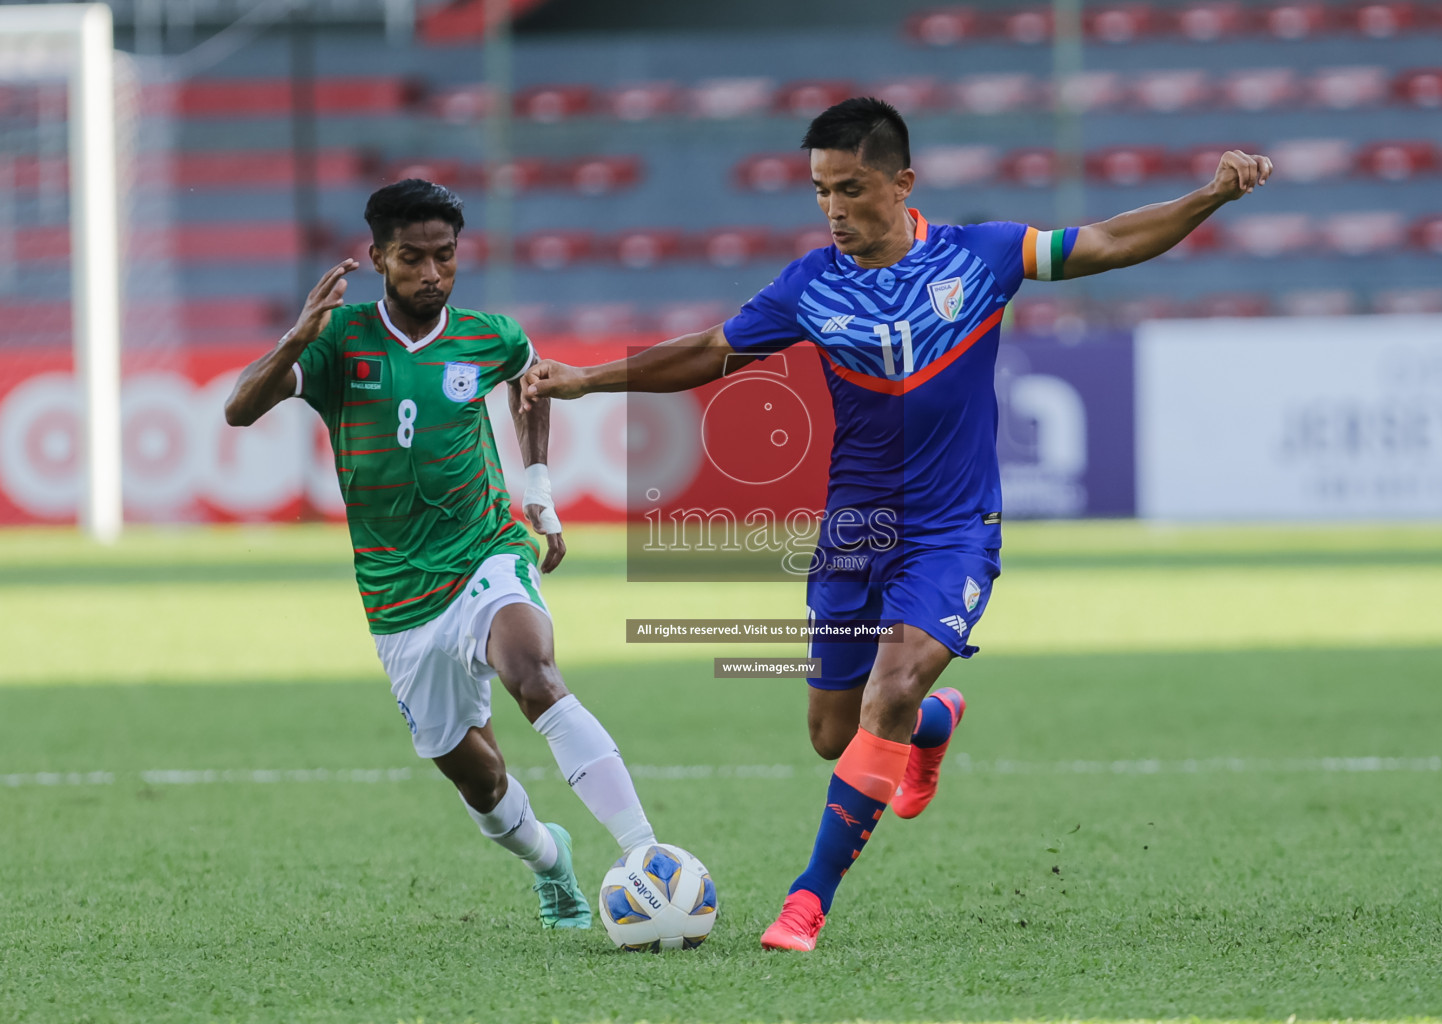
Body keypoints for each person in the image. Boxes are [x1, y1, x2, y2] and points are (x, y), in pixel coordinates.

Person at [522, 98, 1274, 951]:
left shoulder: (982, 255)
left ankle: (807, 900)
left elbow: (1102, 241)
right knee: (832, 734)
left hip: (953, 529)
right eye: (819, 192)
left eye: (850, 188)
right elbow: (709, 350)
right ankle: (935, 723)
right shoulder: (810, 285)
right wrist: (587, 380)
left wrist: (1206, 196)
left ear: (901, 182)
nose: (834, 209)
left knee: (889, 689)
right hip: (854, 536)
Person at [223, 178, 659, 930]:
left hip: (485, 548)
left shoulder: (489, 334)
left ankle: (648, 855)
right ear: (379, 257)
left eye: (445, 258)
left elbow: (533, 382)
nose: (432, 274)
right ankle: (549, 860)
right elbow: (238, 409)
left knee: (535, 672)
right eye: (413, 259)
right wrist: (297, 337)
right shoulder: (338, 340)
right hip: (396, 591)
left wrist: (540, 494)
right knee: (478, 778)